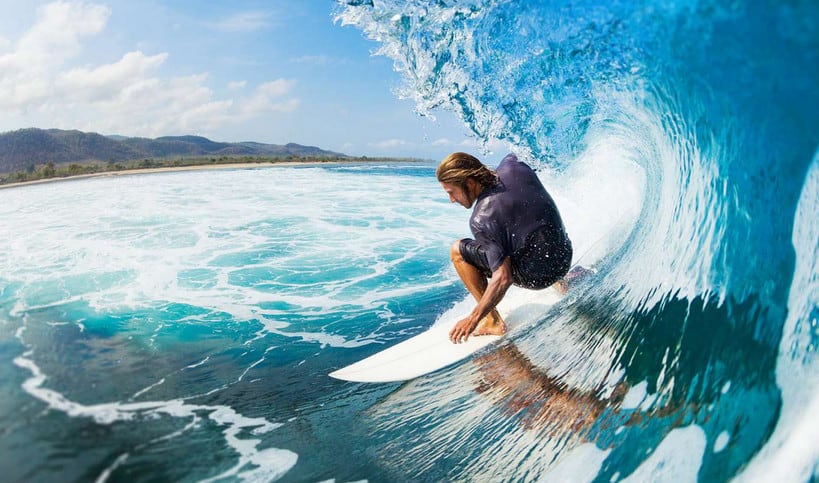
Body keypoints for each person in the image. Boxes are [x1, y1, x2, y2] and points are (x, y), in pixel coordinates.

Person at [437, 152, 572, 343]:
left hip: (538, 278)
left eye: (451, 192)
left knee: (457, 250)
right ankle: (563, 281)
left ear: (469, 183)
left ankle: (492, 321)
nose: (451, 199)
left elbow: (503, 277)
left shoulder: (481, 219)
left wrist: (472, 318)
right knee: (524, 221)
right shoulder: (514, 165)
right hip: (564, 258)